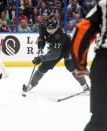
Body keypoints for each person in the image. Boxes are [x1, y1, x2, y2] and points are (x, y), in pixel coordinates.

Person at [22, 18, 90, 93]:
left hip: (67, 48)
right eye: (48, 29)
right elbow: (41, 36)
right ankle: (31, 84)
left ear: (57, 27)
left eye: (52, 29)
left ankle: (85, 86)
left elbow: (55, 54)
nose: (50, 31)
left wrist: (41, 58)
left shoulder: (59, 35)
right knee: (44, 66)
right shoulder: (42, 27)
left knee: (71, 66)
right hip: (55, 48)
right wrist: (41, 42)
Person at [71, 0, 107, 130]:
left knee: (100, 121)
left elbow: (81, 32)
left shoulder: (104, 4)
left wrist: (80, 64)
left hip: (104, 64)